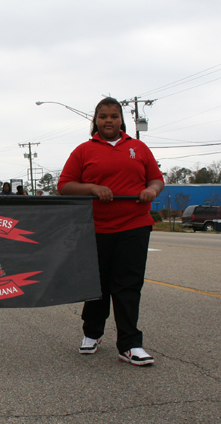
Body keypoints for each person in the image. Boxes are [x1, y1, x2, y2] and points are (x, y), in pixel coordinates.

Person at [58, 97, 164, 366]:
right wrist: (92, 188)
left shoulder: (138, 148)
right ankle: (92, 333)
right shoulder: (84, 150)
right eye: (103, 116)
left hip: (135, 225)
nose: (108, 120)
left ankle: (130, 344)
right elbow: (65, 185)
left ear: (121, 120)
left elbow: (156, 179)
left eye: (114, 116)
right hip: (95, 228)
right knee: (98, 284)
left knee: (128, 285)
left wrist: (151, 191)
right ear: (95, 120)